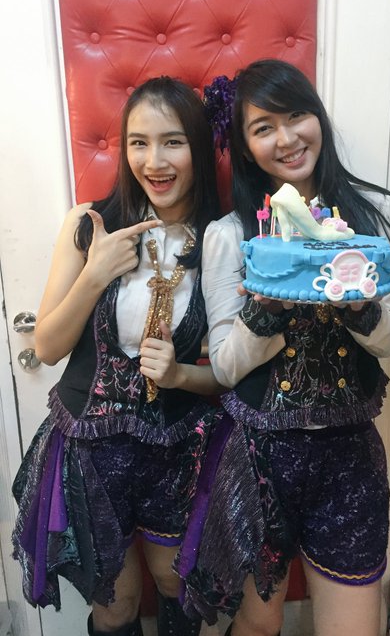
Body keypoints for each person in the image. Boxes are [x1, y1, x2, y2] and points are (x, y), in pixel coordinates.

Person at [177, 59, 390, 636]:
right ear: (245, 146)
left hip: (349, 458)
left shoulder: (370, 216)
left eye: (296, 116)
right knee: (259, 625)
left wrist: (359, 307)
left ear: (318, 118)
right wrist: (266, 309)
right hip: (258, 455)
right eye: (263, 127)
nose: (286, 139)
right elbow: (226, 366)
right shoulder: (232, 235)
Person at [11, 76, 223, 636]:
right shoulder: (89, 224)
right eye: (138, 142)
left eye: (173, 142)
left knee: (177, 583)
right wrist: (94, 274)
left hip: (178, 444)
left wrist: (183, 371)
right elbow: (48, 347)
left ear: (199, 148)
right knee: (116, 602)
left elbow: (232, 370)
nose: (154, 161)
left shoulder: (221, 239)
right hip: (91, 447)